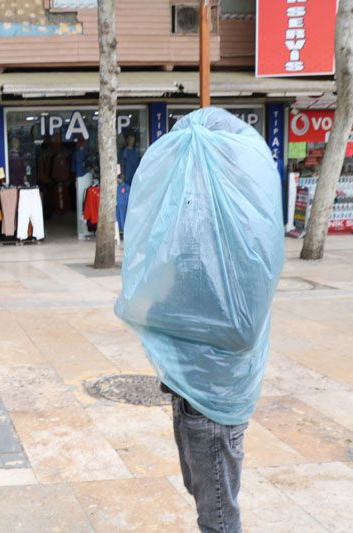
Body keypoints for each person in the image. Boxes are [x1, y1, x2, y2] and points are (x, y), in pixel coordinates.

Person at [115, 108, 285, 533]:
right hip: (191, 391)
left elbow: (238, 326)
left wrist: (166, 315)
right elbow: (159, 290)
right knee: (204, 496)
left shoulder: (237, 242)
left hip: (214, 398)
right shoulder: (202, 229)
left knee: (218, 515)